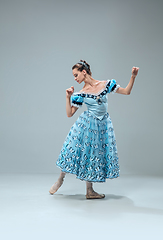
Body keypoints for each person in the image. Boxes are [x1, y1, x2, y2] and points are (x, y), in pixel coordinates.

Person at [49, 60, 139, 199]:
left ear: (84, 72)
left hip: (102, 125)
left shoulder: (105, 85)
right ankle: (60, 179)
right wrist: (68, 97)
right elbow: (69, 114)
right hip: (87, 124)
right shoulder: (82, 93)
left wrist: (133, 76)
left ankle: (90, 191)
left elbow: (126, 92)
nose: (75, 78)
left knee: (93, 154)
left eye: (76, 74)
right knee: (73, 150)